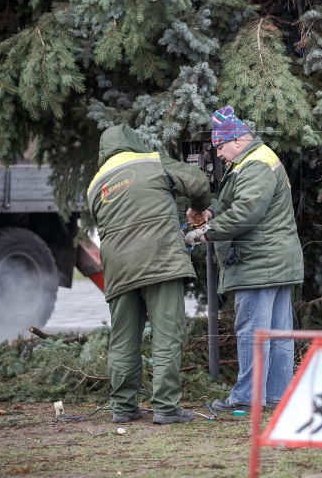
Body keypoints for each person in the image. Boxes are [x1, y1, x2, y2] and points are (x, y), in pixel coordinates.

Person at [88, 124, 211, 424]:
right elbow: (198, 182)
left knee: (123, 338)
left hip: (119, 268)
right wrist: (199, 210)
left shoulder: (95, 184)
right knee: (168, 334)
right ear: (134, 142)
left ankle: (123, 407)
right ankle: (167, 408)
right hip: (160, 260)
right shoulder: (151, 161)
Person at [185, 106, 304, 412]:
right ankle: (277, 395)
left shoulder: (256, 165)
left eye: (220, 147)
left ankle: (247, 397)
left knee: (252, 332)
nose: (219, 155)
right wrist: (207, 213)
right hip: (275, 261)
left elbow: (245, 212)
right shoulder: (254, 161)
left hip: (257, 264)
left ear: (236, 140)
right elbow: (233, 204)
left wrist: (205, 233)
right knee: (278, 334)